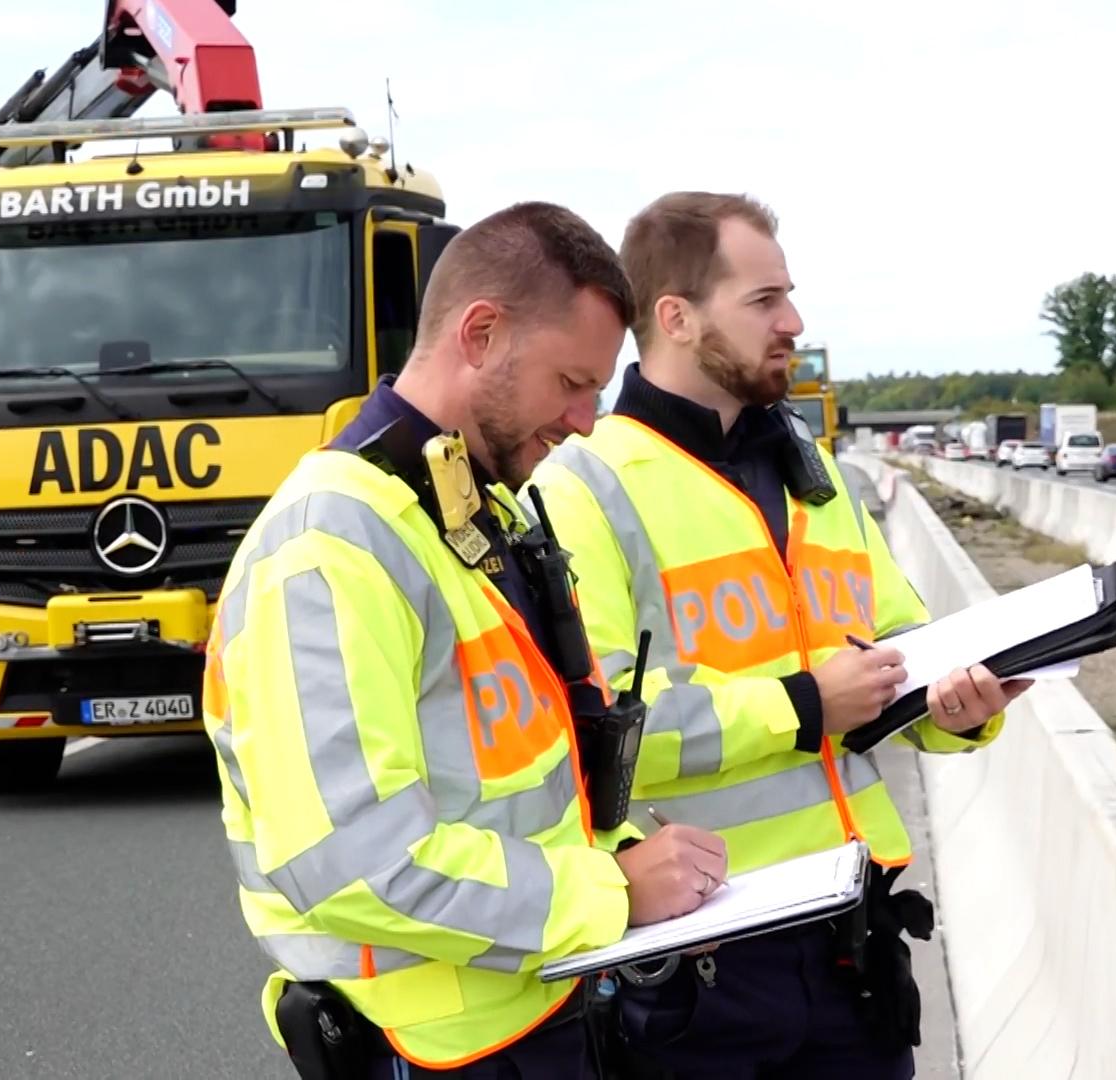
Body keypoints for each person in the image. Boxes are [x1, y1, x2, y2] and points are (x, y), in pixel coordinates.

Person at [202, 201, 729, 1079]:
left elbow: (507, 788)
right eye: (570, 383)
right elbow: (351, 862)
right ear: (479, 334)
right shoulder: (329, 548)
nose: (586, 420)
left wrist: (616, 854)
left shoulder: (471, 513)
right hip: (433, 1053)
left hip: (540, 1013)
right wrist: (611, 892)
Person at [529, 192, 1030, 1079]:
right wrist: (804, 707)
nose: (793, 322)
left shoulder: (817, 476)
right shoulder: (583, 488)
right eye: (764, 302)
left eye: (788, 297)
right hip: (700, 963)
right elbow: (588, 729)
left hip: (852, 947)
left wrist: (959, 707)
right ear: (677, 318)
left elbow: (901, 649)